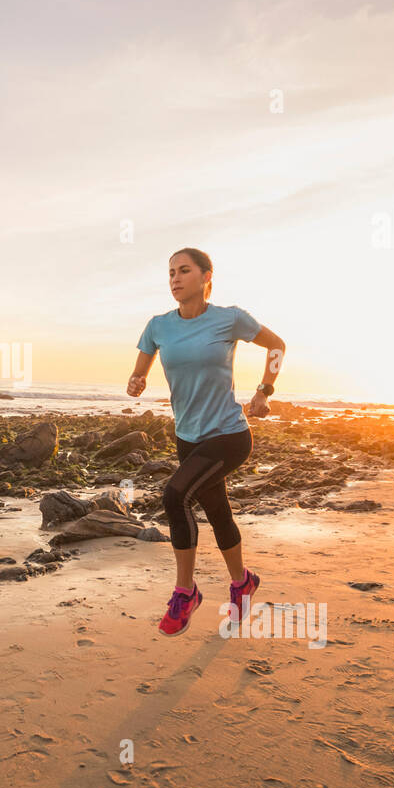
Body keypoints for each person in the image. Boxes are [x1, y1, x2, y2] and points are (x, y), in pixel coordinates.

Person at [126, 247, 286, 636]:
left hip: (229, 435)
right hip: (188, 438)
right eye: (170, 273)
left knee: (174, 496)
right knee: (218, 513)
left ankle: (186, 592)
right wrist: (137, 381)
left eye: (183, 271)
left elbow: (277, 345)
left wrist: (265, 390)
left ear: (205, 277)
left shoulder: (230, 319)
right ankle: (242, 582)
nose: (175, 279)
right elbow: (140, 369)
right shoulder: (158, 326)